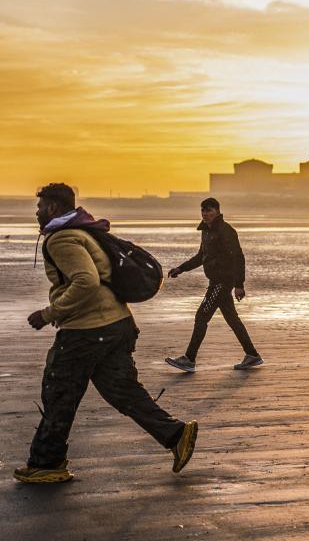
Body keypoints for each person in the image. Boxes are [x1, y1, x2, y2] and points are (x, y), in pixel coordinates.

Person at [16, 183, 197, 484]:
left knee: (59, 392)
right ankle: (177, 434)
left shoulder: (62, 239)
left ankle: (47, 464)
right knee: (123, 391)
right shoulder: (83, 231)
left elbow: (85, 282)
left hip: (86, 331)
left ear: (53, 208)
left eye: (39, 207)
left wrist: (48, 315)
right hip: (117, 324)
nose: (36, 212)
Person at [164, 198, 261, 372]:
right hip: (216, 282)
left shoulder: (226, 231)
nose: (205, 214)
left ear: (217, 211)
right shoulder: (206, 231)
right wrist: (181, 268)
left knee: (201, 316)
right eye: (202, 211)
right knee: (232, 319)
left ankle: (189, 359)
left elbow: (238, 257)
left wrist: (239, 284)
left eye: (209, 211)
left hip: (222, 282)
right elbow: (202, 256)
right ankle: (252, 355)